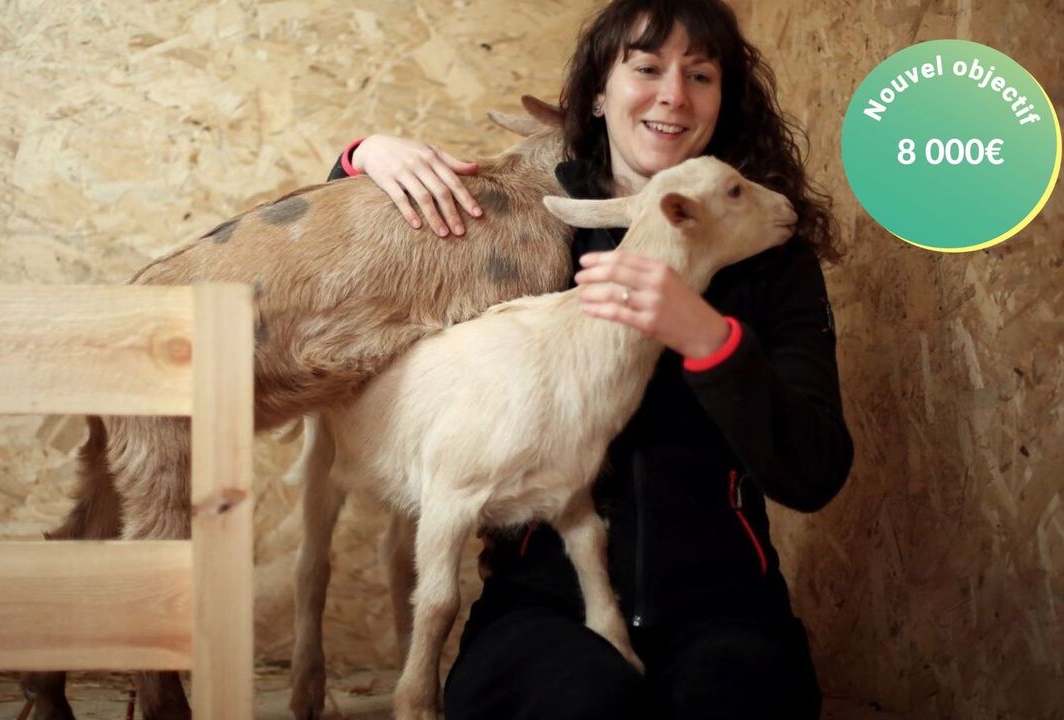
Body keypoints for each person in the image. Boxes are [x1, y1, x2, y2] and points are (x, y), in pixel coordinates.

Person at [325, 0, 853, 717]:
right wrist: (360, 161)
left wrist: (712, 340)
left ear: (723, 102)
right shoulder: (520, 230)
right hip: (540, 609)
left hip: (727, 609)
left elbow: (814, 470)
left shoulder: (771, 256)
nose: (674, 94)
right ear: (598, 95)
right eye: (647, 68)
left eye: (701, 75)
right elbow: (350, 286)